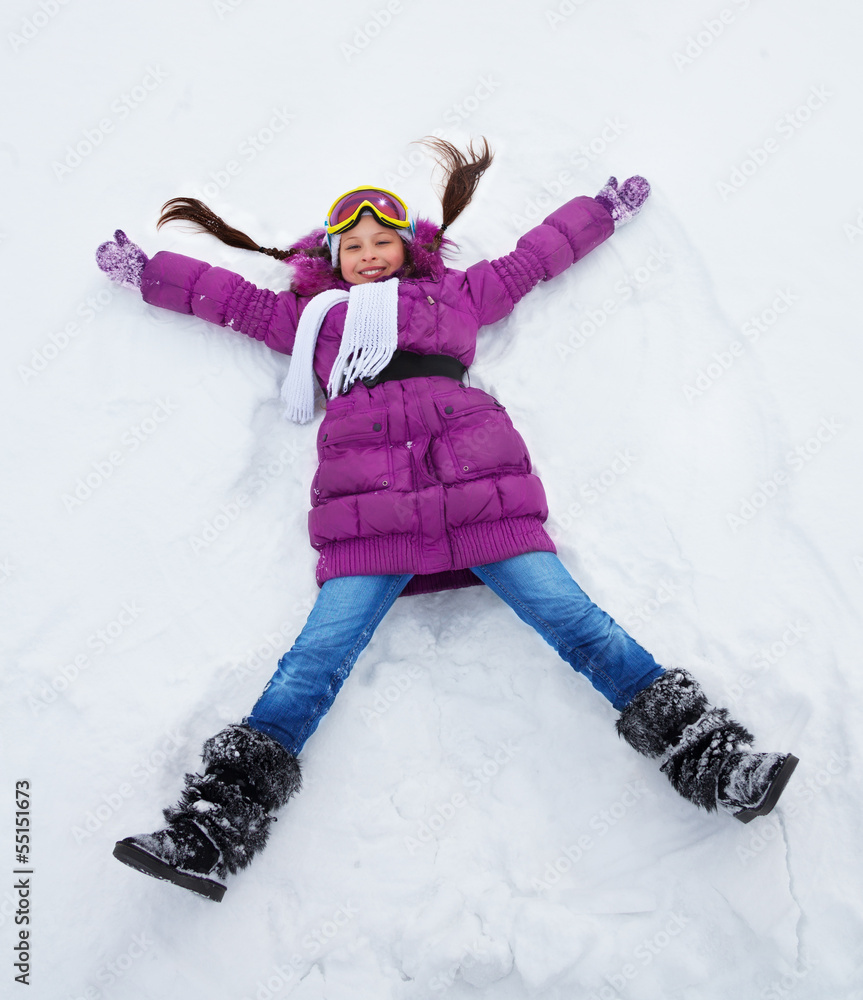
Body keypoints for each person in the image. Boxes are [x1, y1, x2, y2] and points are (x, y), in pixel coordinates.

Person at [96, 137, 798, 903]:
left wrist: (596, 211)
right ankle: (209, 830)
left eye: (381, 241)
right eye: (352, 246)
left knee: (579, 625)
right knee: (312, 661)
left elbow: (532, 260)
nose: (367, 255)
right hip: (369, 520)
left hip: (480, 492)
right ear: (331, 259)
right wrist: (148, 273)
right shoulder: (310, 320)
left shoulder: (453, 297)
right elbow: (231, 300)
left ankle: (716, 761)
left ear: (408, 247)